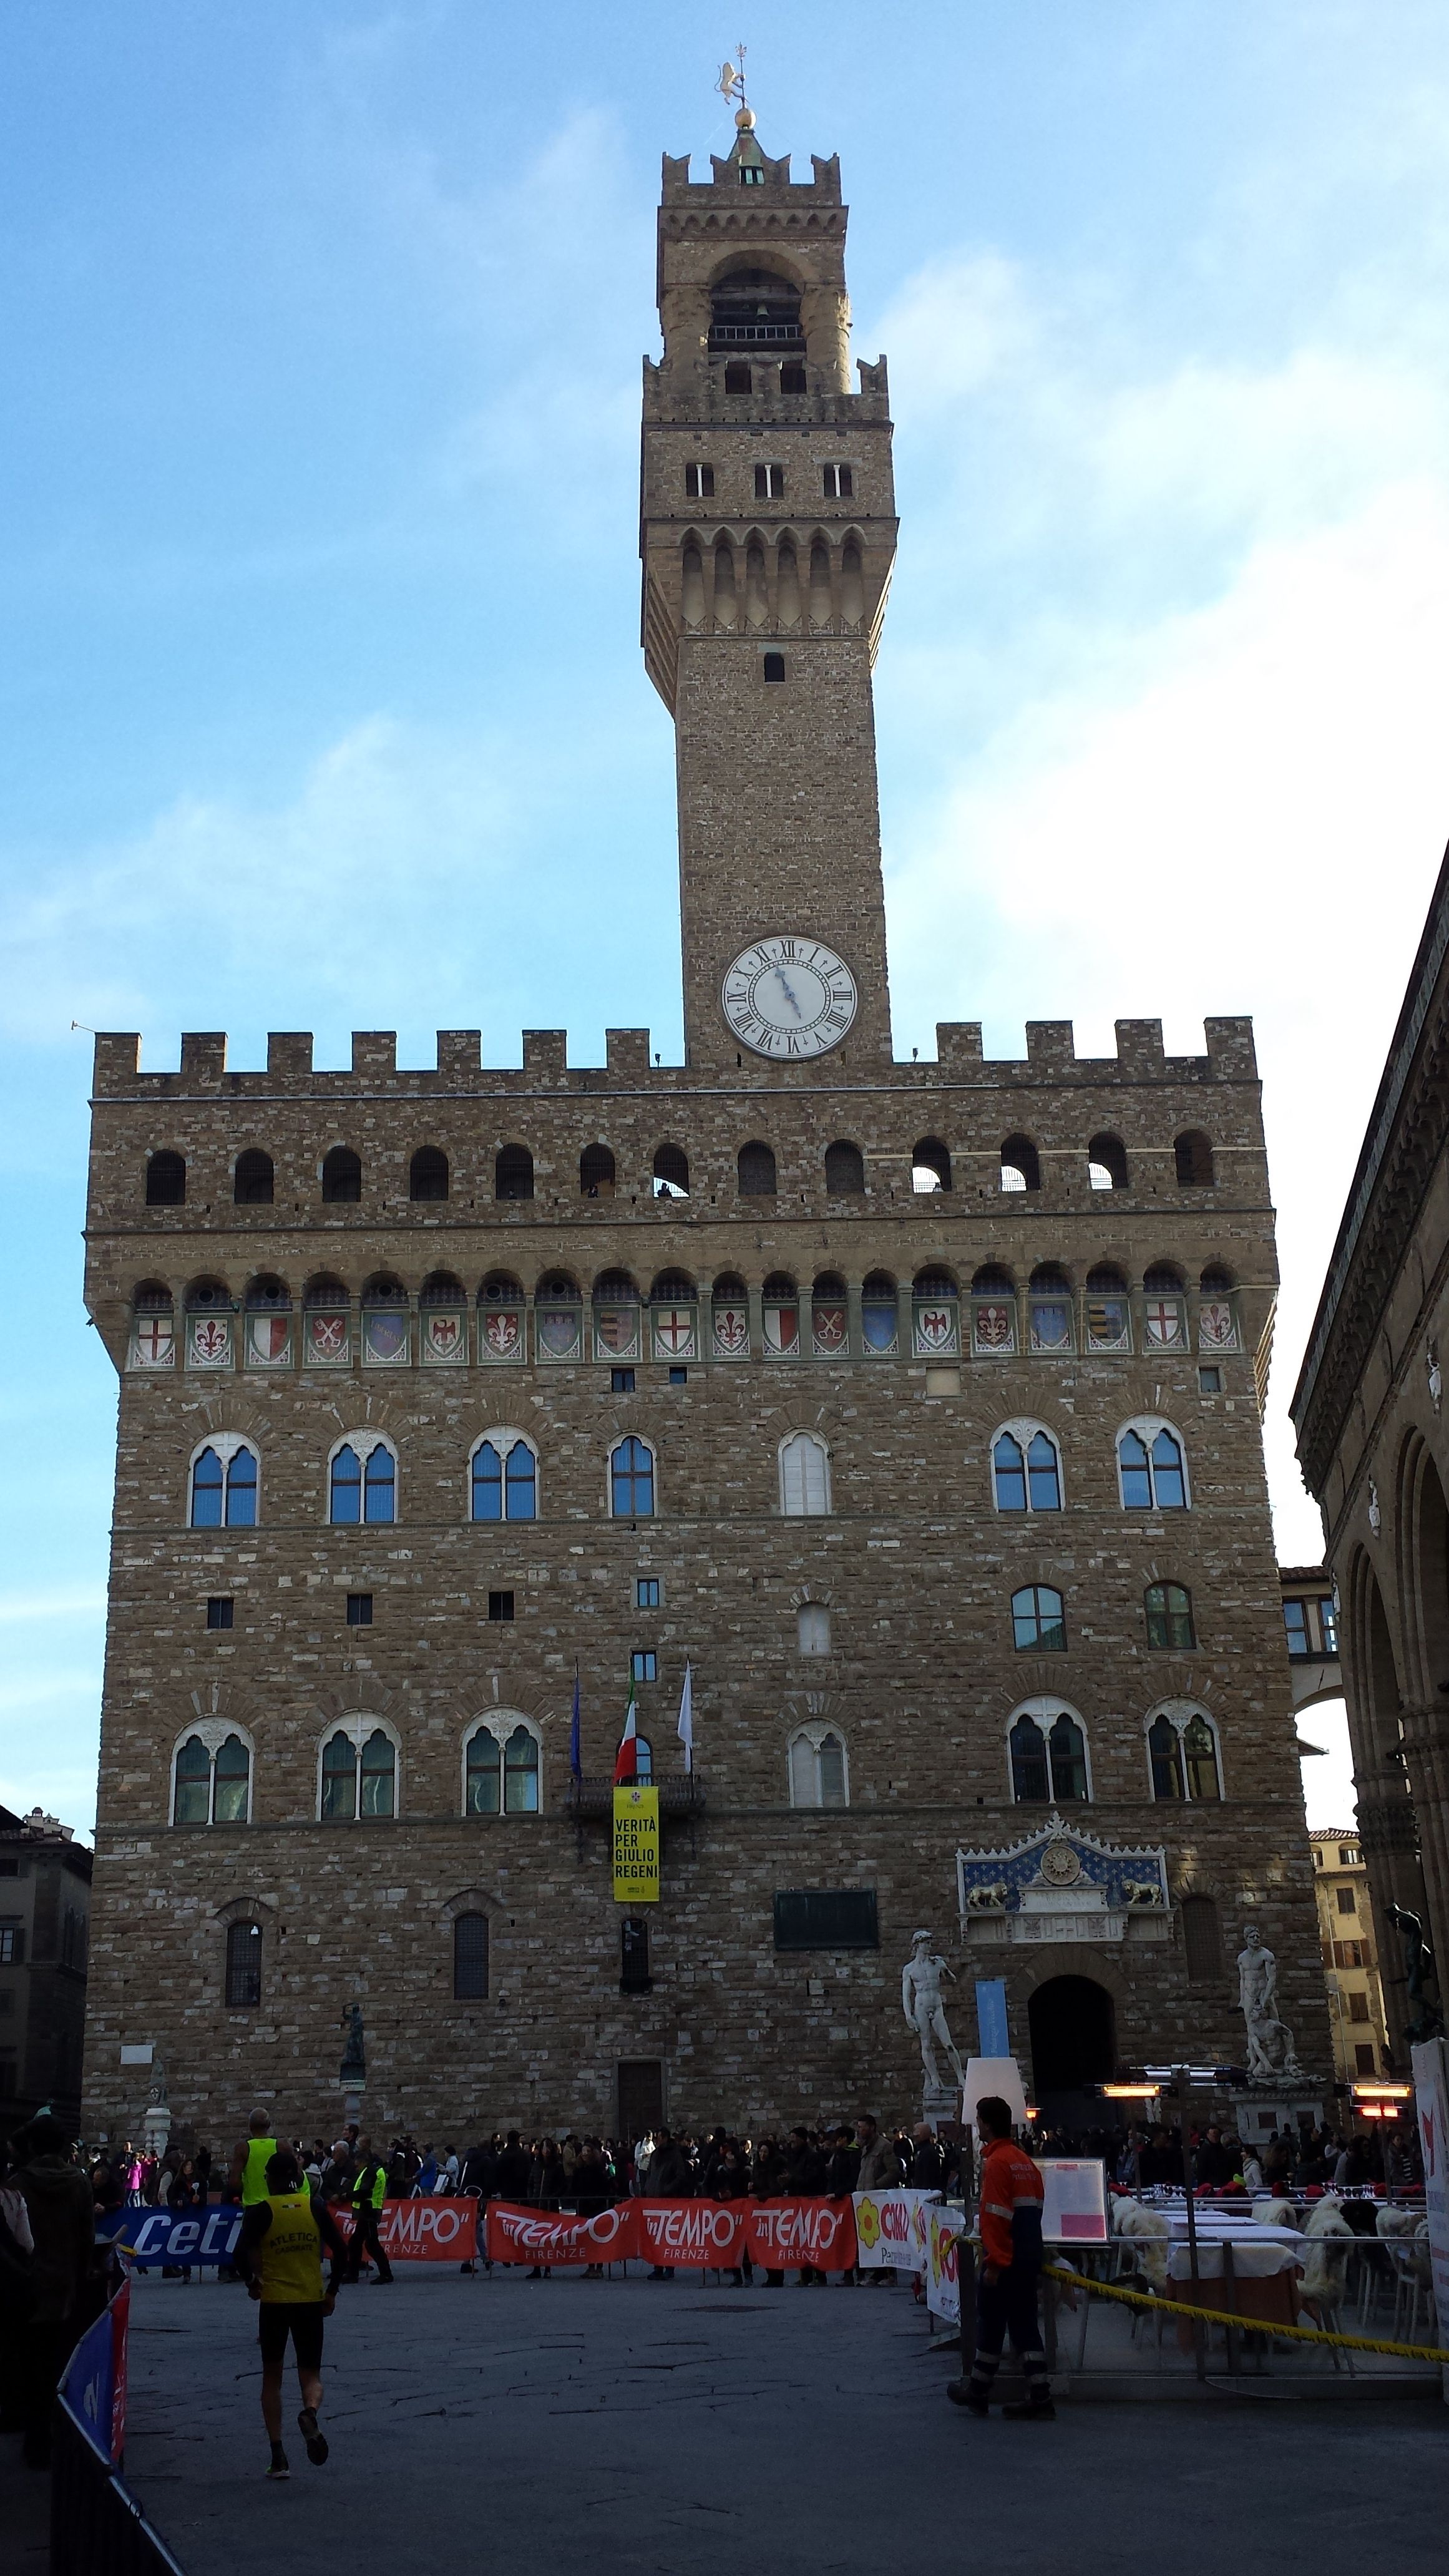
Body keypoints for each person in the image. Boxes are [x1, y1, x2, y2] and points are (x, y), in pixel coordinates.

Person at [236, 2145, 346, 2480]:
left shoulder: (261, 2211)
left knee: (272, 2379)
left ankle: (278, 2455)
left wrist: (252, 2282)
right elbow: (340, 2251)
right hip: (310, 2300)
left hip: (275, 2302)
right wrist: (331, 2292)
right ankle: (310, 2411)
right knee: (311, 2376)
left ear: (269, 2179)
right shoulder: (314, 2207)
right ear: (297, 2178)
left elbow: (239, 2254)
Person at [948, 2095, 1053, 2422]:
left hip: (1005, 2261)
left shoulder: (997, 2164)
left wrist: (994, 2262)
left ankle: (980, 2392)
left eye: (978, 2119)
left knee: (991, 2325)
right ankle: (1038, 2394)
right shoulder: (1025, 2162)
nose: (976, 2125)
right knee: (1024, 2328)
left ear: (986, 2123)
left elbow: (995, 2219)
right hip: (1027, 2256)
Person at [9, 2114, 95, 2467]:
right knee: (62, 2363)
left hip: (26, 2285)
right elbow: (86, 2235)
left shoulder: (18, 2184)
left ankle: (36, 2439)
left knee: (30, 2364)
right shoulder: (79, 2184)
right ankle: (63, 2434)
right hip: (66, 2285)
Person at [340, 2137, 394, 2285]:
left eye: (357, 2166)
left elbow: (364, 2192)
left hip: (369, 2211)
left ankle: (385, 2273)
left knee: (370, 2244)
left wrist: (347, 2196)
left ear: (363, 2163)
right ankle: (354, 2274)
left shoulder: (370, 2172)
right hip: (369, 2211)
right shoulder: (372, 2171)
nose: (356, 2169)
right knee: (357, 2242)